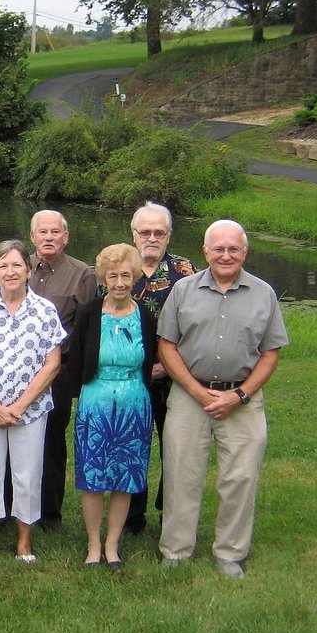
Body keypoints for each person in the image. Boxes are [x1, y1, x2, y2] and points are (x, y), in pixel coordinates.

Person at [157, 220, 288, 579]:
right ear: (206, 252)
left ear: (244, 252)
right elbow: (166, 346)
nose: (226, 255)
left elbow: (270, 353)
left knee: (241, 477)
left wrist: (240, 395)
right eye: (218, 248)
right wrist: (197, 391)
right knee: (181, 473)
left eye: (233, 249)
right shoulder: (183, 290)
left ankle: (230, 553)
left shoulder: (263, 294)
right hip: (189, 395)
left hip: (243, 398)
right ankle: (176, 550)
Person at [0, 240, 66, 564]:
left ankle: (24, 542)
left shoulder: (45, 310)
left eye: (17, 265)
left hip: (31, 410)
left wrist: (20, 406)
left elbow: (52, 363)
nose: (10, 272)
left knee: (28, 474)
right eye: (3, 265)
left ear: (28, 270)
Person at [68, 244, 157, 568]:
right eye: (113, 276)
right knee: (93, 475)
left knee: (125, 475)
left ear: (135, 277)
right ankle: (94, 544)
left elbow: (151, 359)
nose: (119, 282)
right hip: (96, 401)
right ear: (104, 278)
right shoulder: (90, 313)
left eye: (126, 276)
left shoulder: (145, 315)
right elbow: (77, 358)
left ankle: (112, 545)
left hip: (134, 404)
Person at [123, 202, 195, 534]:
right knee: (132, 446)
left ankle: (171, 514)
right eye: (145, 232)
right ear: (134, 234)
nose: (151, 238)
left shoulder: (185, 271)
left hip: (174, 377)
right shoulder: (119, 266)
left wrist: (166, 365)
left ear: (168, 236)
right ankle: (131, 517)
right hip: (129, 379)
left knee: (175, 447)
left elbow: (195, 326)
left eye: (159, 232)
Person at [29, 209, 96, 531]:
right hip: (14, 370)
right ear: (33, 237)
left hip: (58, 371)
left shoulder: (81, 274)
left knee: (51, 440)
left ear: (66, 237)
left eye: (55, 232)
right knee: (14, 436)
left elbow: (85, 330)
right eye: (42, 232)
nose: (49, 237)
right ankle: (12, 507)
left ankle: (49, 513)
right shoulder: (17, 266)